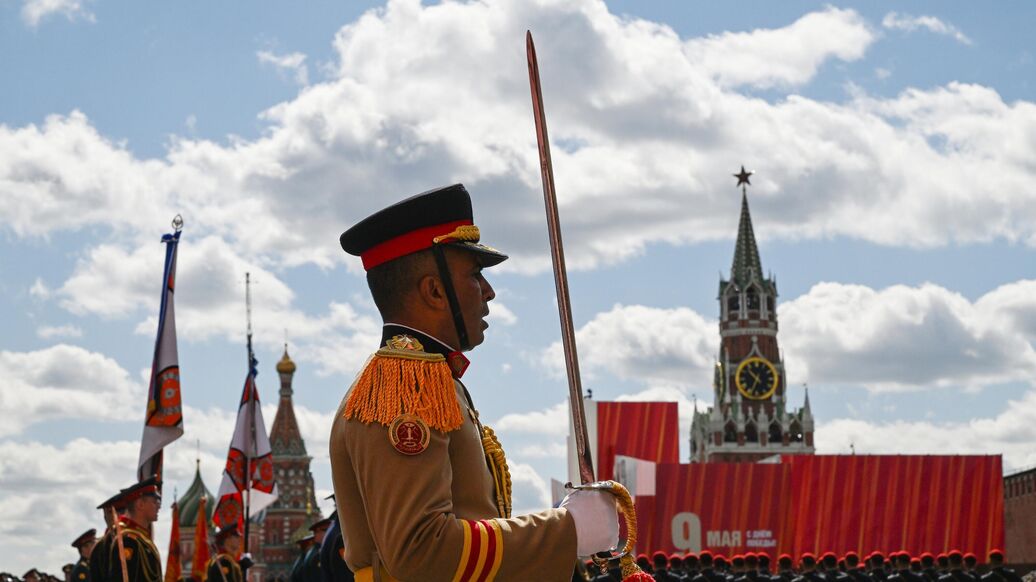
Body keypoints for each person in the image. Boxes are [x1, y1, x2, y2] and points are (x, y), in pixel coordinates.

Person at [329, 184, 619, 581]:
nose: (489, 292)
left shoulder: (427, 378)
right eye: (475, 275)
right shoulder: (406, 385)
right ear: (434, 290)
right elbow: (421, 553)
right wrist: (566, 528)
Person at [95, 477, 163, 582]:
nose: (159, 506)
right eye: (155, 502)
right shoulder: (127, 540)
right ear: (140, 504)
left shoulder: (140, 538)